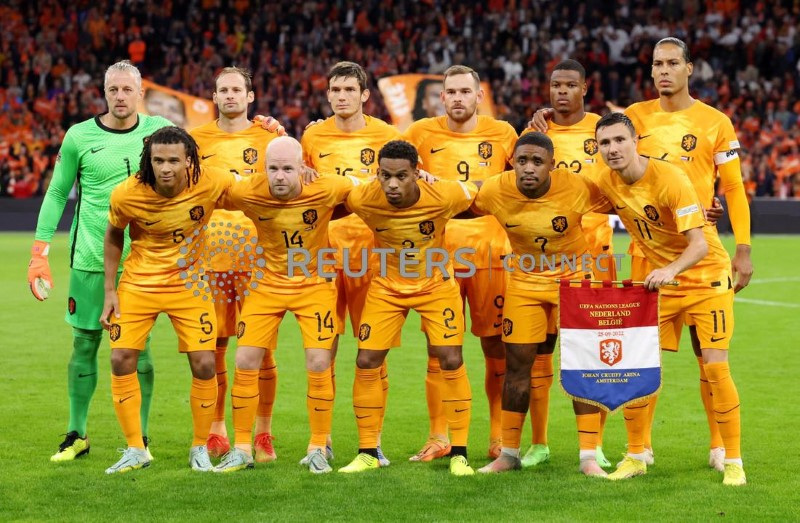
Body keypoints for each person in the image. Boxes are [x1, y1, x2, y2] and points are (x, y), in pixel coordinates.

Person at [28, 60, 171, 463]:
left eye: (128, 90)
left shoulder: (159, 132)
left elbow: (199, 165)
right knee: (84, 343)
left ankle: (140, 438)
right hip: (90, 258)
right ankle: (77, 434)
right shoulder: (79, 136)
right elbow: (57, 193)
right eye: (114, 90)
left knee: (138, 351)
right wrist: (39, 252)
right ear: (104, 93)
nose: (121, 97)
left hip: (142, 262)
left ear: (141, 93)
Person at [593, 113, 745, 486]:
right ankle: (635, 455)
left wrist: (669, 270)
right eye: (604, 143)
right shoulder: (604, 181)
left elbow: (696, 245)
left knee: (714, 368)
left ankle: (734, 461)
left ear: (635, 142)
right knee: (636, 366)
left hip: (705, 276)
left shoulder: (669, 178)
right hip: (661, 282)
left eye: (619, 141)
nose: (612, 149)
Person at [623, 38, 752, 469]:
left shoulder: (716, 121)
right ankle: (639, 449)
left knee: (708, 356)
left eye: (672, 63)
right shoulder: (633, 117)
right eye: (657, 63)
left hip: (700, 251)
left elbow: (732, 187)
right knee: (642, 362)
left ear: (689, 68)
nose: (663, 70)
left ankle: (720, 446)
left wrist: (744, 249)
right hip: (647, 254)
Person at [211, 136, 358, 474]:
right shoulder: (248, 191)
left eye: (287, 169)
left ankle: (318, 446)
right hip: (266, 284)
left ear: (302, 167)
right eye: (272, 168)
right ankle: (243, 447)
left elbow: (366, 187)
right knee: (246, 358)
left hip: (314, 284)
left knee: (319, 361)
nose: (279, 176)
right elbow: (212, 188)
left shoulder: (326, 187)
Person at [471, 132, 612, 477]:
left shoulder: (578, 187)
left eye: (537, 162)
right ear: (512, 164)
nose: (529, 168)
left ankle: (588, 457)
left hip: (574, 282)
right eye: (522, 161)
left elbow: (620, 201)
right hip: (524, 283)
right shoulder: (494, 190)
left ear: (552, 165)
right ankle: (508, 454)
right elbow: (459, 204)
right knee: (517, 368)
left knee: (582, 366)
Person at [100, 126, 235, 474]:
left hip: (189, 283)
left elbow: (254, 191)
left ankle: (199, 447)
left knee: (205, 363)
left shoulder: (211, 181)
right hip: (140, 282)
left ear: (189, 159)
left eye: (174, 160)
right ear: (149, 160)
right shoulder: (127, 193)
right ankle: (135, 449)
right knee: (120, 358)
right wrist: (110, 291)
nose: (166, 168)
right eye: (158, 160)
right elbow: (114, 234)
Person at [338, 140, 477, 476]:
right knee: (367, 359)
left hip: (435, 284)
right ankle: (368, 451)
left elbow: (481, 189)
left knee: (451, 358)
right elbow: (338, 189)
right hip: (387, 286)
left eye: (401, 176)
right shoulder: (364, 197)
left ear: (418, 173)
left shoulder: (445, 194)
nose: (393, 184)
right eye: (385, 176)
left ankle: (459, 453)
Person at [403, 65, 518, 461]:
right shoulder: (419, 133)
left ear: (479, 95)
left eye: (464, 92)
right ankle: (439, 437)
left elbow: (525, 180)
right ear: (441, 97)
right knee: (439, 349)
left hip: (491, 254)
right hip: (438, 258)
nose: (456, 98)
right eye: (449, 92)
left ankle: (499, 435)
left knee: (496, 348)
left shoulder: (503, 133)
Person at [300, 61, 401, 466]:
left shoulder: (388, 136)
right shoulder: (312, 135)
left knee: (372, 352)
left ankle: (371, 443)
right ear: (328, 95)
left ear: (364, 96)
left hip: (373, 258)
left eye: (349, 90)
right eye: (335, 90)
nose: (341, 96)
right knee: (322, 350)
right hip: (323, 257)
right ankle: (320, 441)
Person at [519, 59, 616, 469]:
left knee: (593, 355)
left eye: (570, 85)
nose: (561, 92)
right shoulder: (535, 133)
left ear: (584, 88)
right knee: (541, 352)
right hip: (543, 260)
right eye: (556, 84)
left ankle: (595, 445)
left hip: (595, 256)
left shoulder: (602, 130)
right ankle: (539, 442)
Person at [190, 66, 281, 462]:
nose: (229, 95)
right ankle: (217, 429)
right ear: (215, 96)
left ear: (250, 96)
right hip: (210, 258)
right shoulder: (195, 140)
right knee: (214, 347)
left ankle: (263, 433)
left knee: (262, 351)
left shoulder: (270, 138)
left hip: (260, 259)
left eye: (236, 89)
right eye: (222, 90)